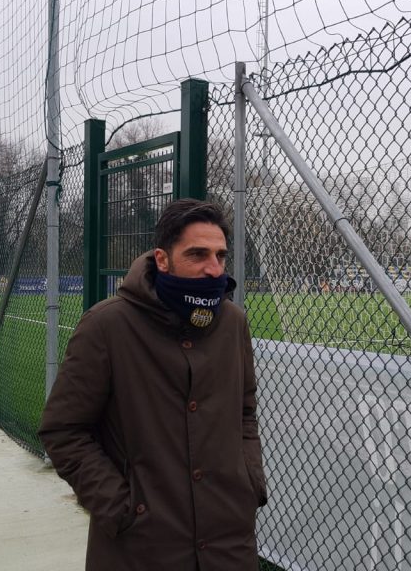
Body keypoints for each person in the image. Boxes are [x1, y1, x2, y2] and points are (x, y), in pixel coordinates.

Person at [39, 199, 267, 571]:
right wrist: (121, 507)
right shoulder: (106, 326)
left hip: (228, 541)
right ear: (162, 259)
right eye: (198, 254)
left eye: (220, 256)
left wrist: (249, 482)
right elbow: (63, 430)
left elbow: (245, 412)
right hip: (141, 546)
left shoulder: (233, 322)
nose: (214, 269)